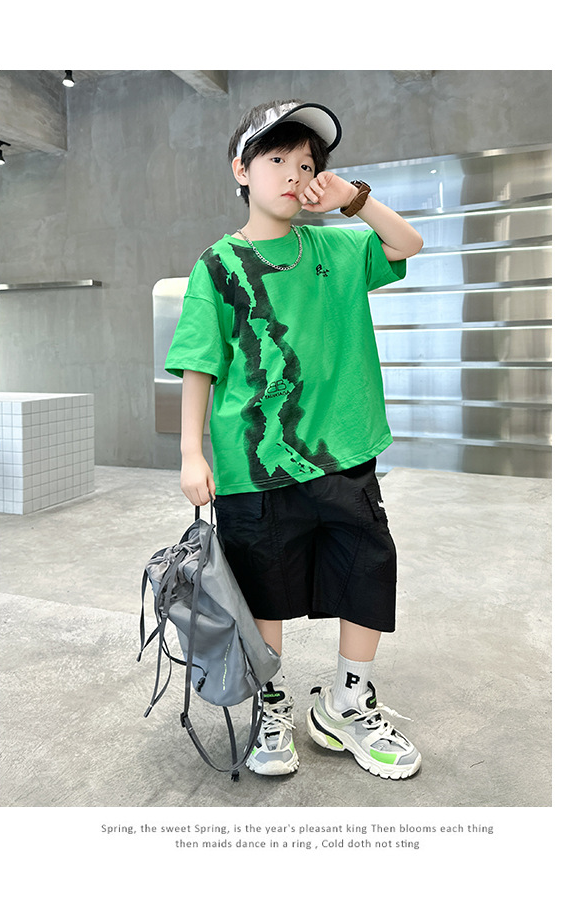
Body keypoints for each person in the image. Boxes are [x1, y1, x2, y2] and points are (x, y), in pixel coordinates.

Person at [164, 99, 424, 780]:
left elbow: (406, 244)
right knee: (264, 590)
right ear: (241, 170)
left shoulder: (339, 246)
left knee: (367, 574)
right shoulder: (219, 265)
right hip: (254, 466)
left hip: (344, 452)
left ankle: (346, 704)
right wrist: (191, 453)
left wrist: (353, 200)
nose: (293, 174)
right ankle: (270, 705)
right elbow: (199, 363)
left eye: (306, 164)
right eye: (276, 158)